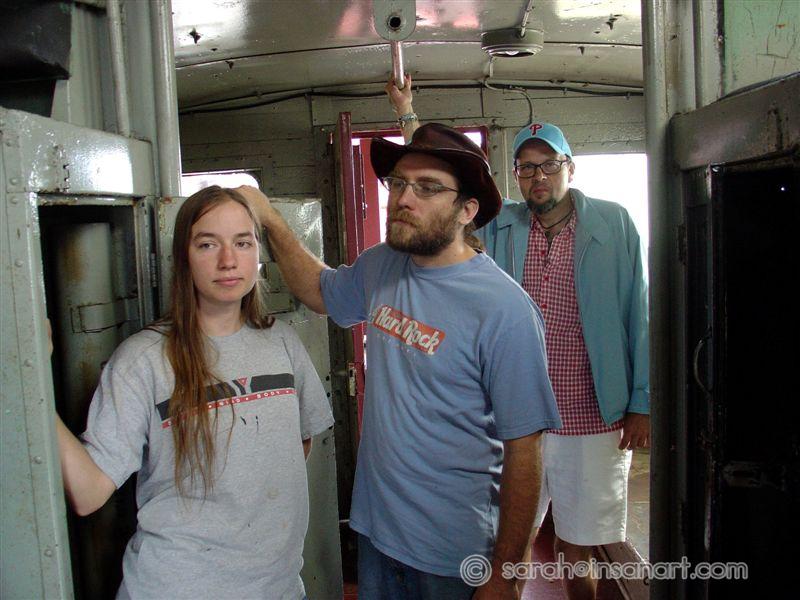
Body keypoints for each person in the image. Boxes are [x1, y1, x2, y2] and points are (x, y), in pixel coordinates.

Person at [238, 122, 561, 600]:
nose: (403, 199)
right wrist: (269, 218)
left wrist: (507, 573)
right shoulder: (382, 264)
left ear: (467, 210)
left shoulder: (504, 310)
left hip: (453, 553)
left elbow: (525, 449)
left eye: (428, 188)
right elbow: (320, 291)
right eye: (398, 183)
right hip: (377, 533)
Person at [387, 78, 650, 600]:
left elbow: (637, 314)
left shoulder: (613, 223)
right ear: (516, 176)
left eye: (549, 164)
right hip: (516, 418)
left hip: (592, 413)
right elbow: (440, 184)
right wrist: (408, 115)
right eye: (526, 167)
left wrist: (641, 401)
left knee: (579, 546)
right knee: (513, 538)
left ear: (570, 168)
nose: (538, 176)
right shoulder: (501, 223)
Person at [54, 186, 333, 599]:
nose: (228, 260)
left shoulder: (282, 342)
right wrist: (34, 384)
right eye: (207, 244)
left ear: (258, 253)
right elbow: (88, 493)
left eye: (243, 242)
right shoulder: (142, 360)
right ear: (183, 257)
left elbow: (297, 444)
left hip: (277, 589)